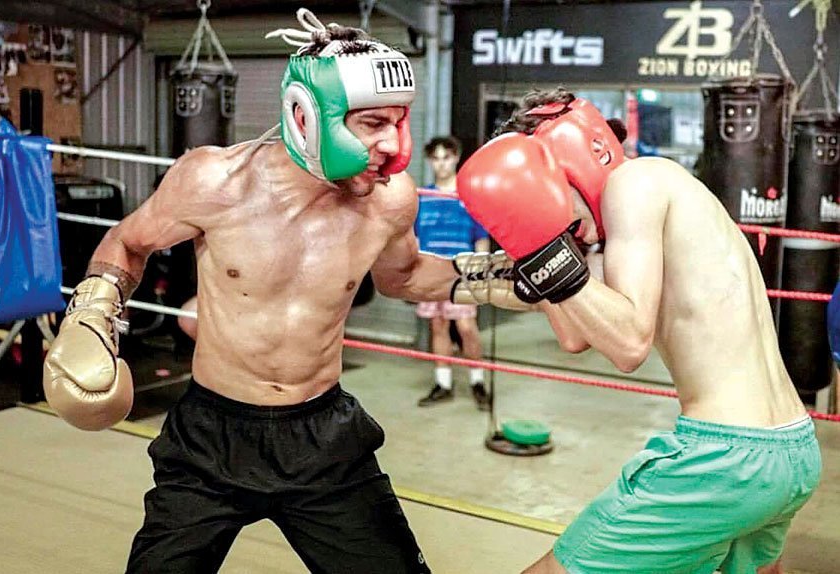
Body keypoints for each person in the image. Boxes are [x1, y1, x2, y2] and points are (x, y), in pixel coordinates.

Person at [41, 9, 527, 573]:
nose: (394, 146)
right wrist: (94, 311)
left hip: (324, 440)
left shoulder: (389, 201)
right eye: (372, 124)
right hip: (211, 439)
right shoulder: (213, 181)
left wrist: (501, 276)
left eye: (399, 122)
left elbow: (405, 277)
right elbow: (128, 241)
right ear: (307, 117)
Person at [457, 89, 821, 574]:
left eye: (545, 192)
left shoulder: (636, 182)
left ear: (574, 160)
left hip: (723, 458)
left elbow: (628, 343)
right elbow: (578, 335)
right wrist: (509, 260)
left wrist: (544, 252)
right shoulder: (654, 209)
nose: (549, 210)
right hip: (790, 451)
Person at [415, 135, 491, 409]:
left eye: (446, 157)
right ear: (429, 161)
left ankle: (478, 381)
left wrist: (482, 273)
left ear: (456, 157)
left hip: (461, 274)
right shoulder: (422, 197)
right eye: (436, 158)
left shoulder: (468, 197)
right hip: (429, 273)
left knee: (467, 328)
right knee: (438, 326)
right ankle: (443, 383)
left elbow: (482, 238)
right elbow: (413, 240)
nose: (441, 164)